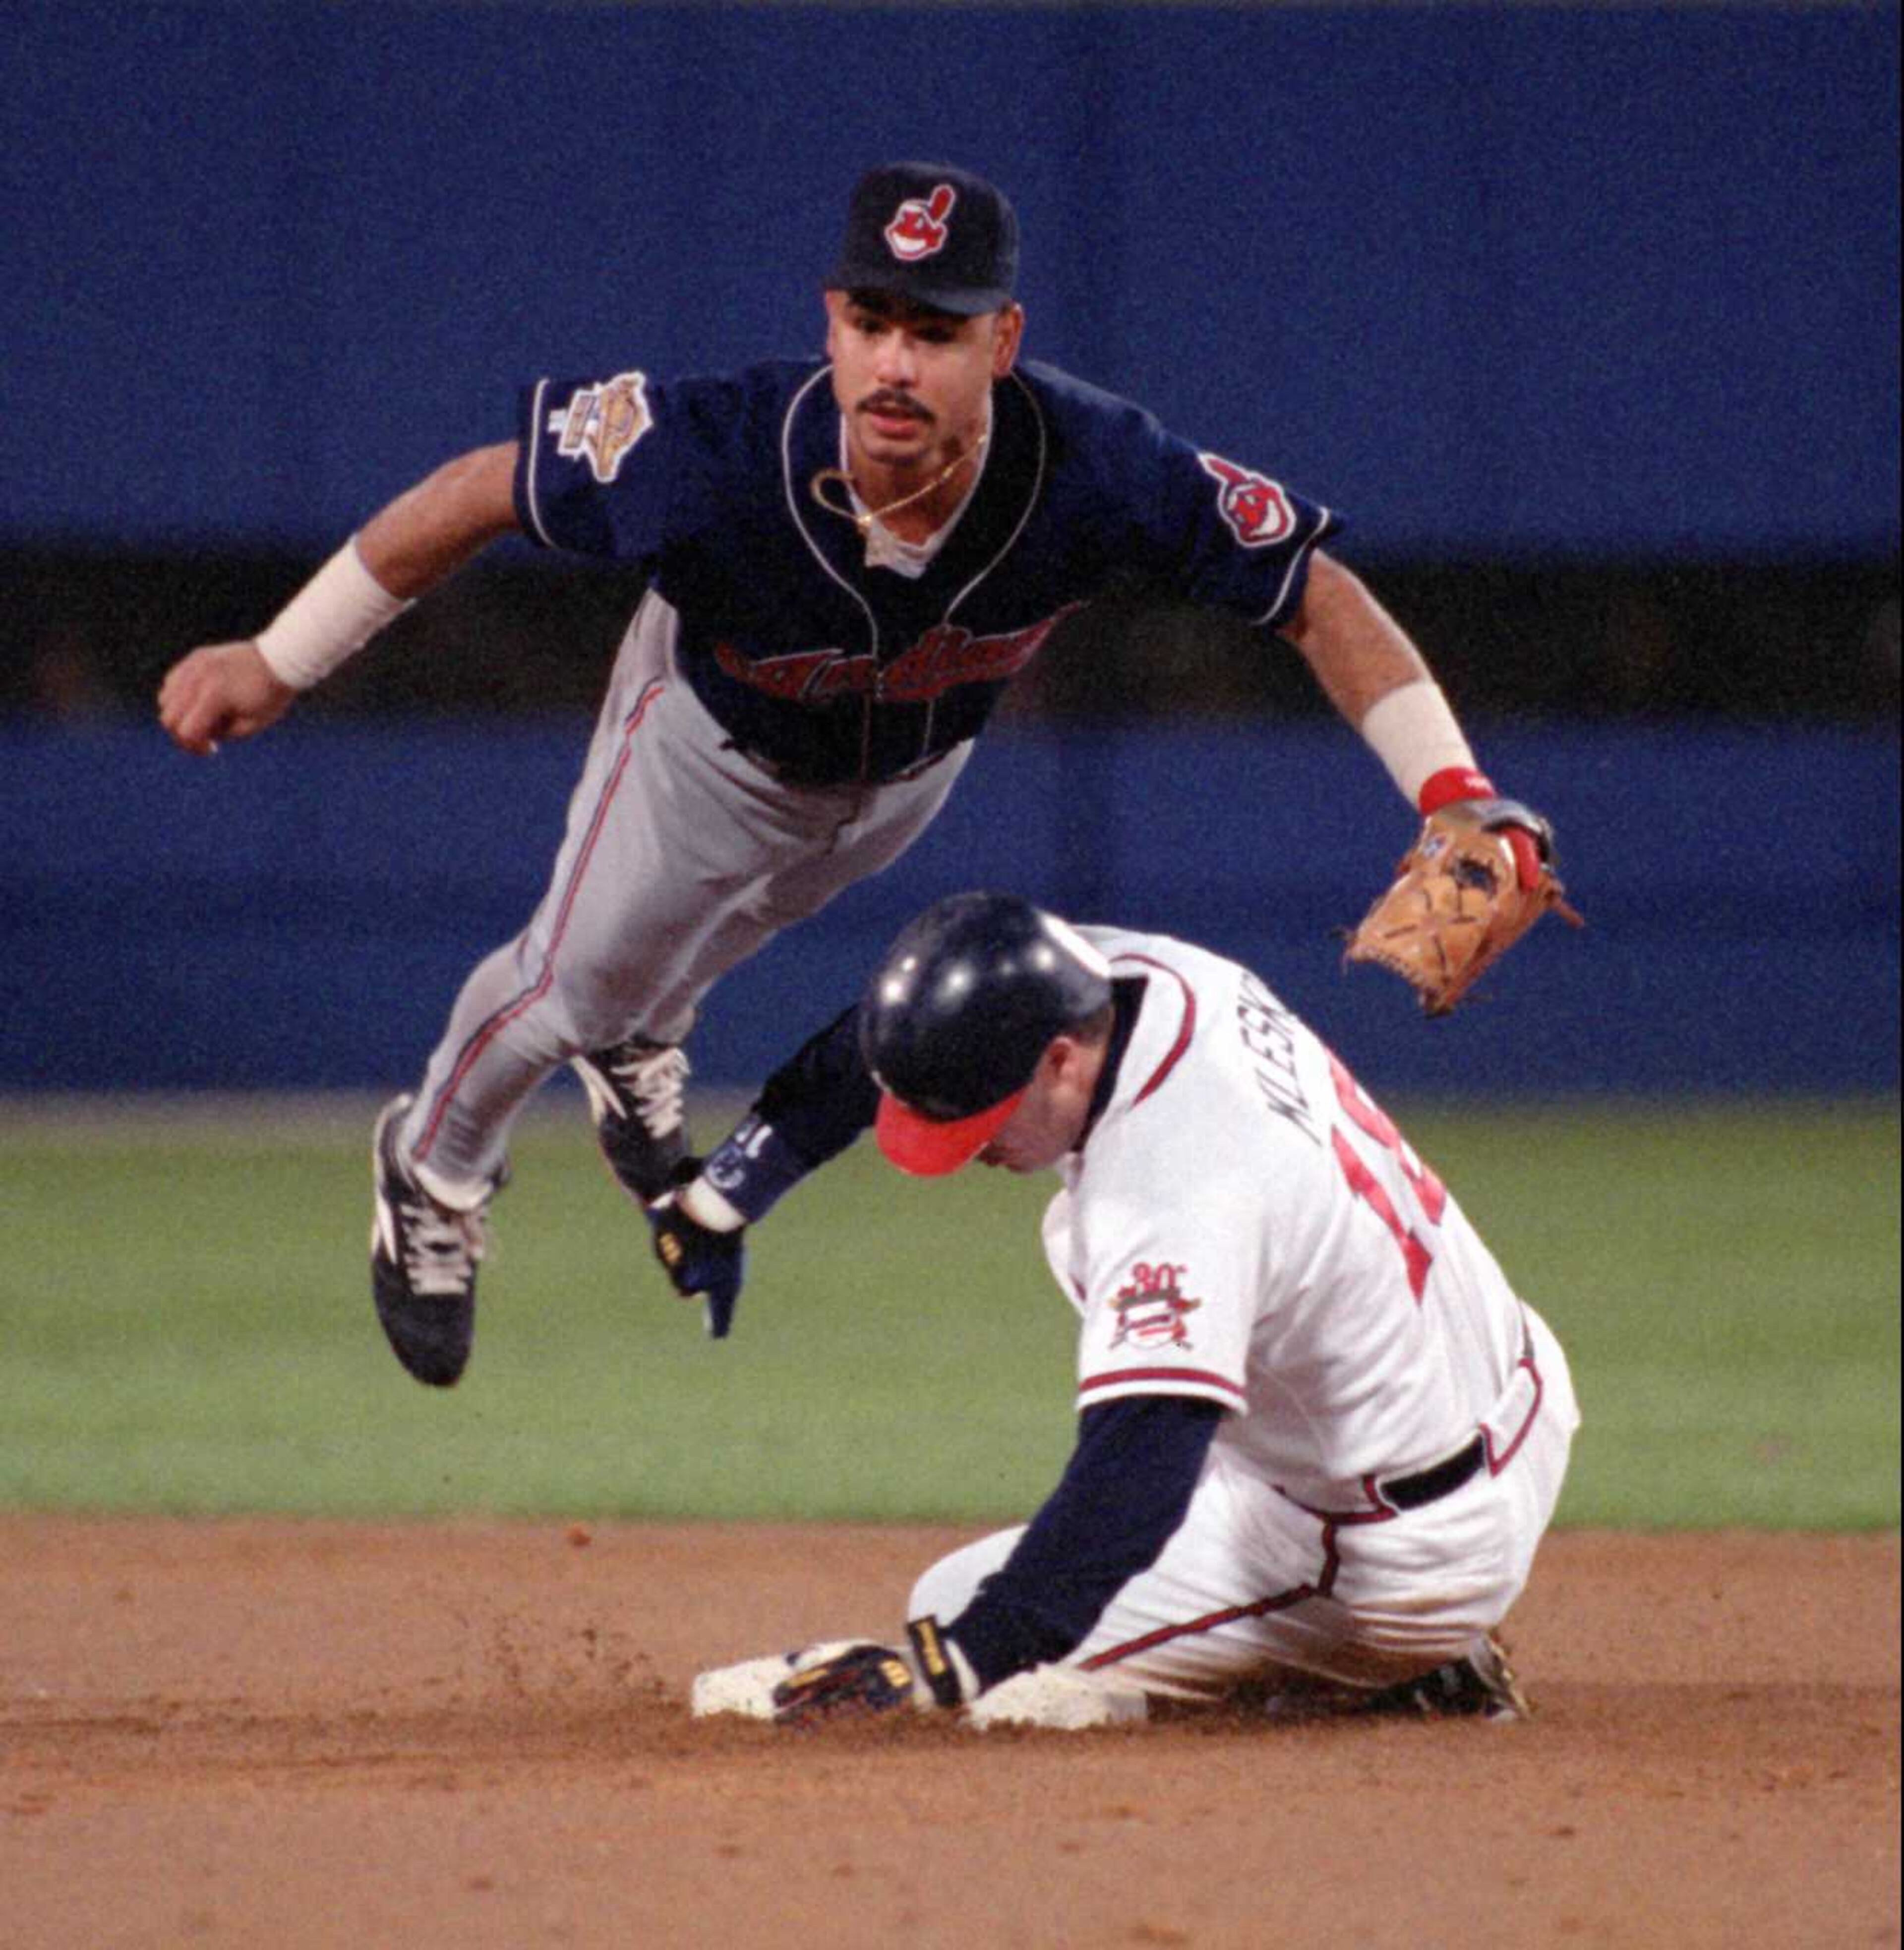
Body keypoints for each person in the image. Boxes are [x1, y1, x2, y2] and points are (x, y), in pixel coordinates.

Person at [156, 160, 1558, 1390]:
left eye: (936, 330)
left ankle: (646, 1038)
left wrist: (1455, 792)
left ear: (1002, 341)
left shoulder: (1093, 468)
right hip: (698, 743)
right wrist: (279, 659)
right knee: (562, 983)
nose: (895, 362)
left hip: (902, 771)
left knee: (724, 928)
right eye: (871, 320)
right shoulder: (714, 451)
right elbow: (481, 490)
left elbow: (1308, 587)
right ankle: (434, 1165)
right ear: (830, 319)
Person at [669, 891, 1580, 1725]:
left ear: (1059, 1061)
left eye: (979, 1123)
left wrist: (959, 1663)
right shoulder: (1137, 976)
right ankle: (1384, 1635)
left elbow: (1138, 1473)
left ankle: (1399, 1666)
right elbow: (894, 1043)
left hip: (1397, 1553)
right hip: (1515, 1396)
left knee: (961, 1608)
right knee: (1198, 1374)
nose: (973, 1150)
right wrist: (722, 1197)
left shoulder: (1172, 1186)